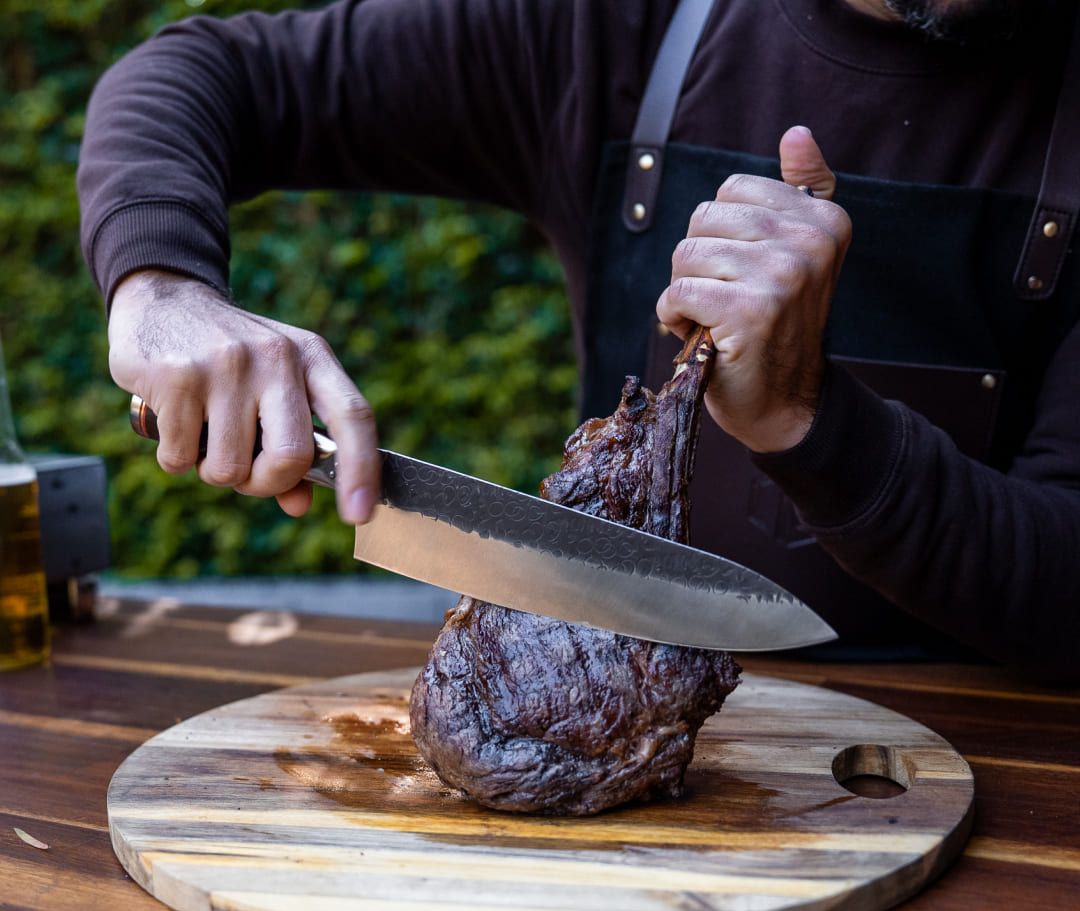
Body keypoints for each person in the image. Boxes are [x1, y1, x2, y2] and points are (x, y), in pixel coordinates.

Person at [76, 0, 1080, 679]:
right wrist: (161, 285)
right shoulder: (614, 27)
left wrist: (808, 423)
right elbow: (202, 72)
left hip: (996, 779)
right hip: (610, 725)